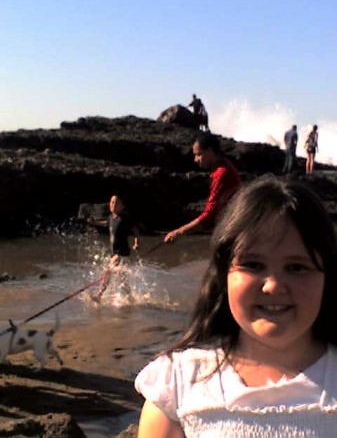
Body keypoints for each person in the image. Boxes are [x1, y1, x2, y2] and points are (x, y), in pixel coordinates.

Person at [136, 175, 337, 437]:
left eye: (297, 267)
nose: (273, 286)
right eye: (253, 265)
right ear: (223, 274)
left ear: (328, 278)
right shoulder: (178, 382)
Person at [164, 134, 241, 242]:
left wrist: (179, 232)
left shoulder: (222, 172)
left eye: (198, 154)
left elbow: (209, 215)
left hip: (234, 231)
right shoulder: (222, 167)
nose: (196, 160)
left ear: (209, 150)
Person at [88, 195, 139, 302]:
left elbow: (135, 229)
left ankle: (99, 295)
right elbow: (105, 223)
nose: (113, 204)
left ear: (122, 206)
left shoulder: (125, 217)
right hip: (114, 253)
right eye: (111, 202)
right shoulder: (110, 217)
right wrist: (94, 223)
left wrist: (136, 242)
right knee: (122, 281)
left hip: (122, 252)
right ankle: (131, 299)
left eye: (116, 202)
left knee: (107, 271)